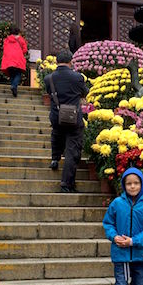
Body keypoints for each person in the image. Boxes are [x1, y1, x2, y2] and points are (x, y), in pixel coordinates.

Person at [44, 49, 88, 193]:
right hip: (73, 117)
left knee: (56, 134)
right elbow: (84, 92)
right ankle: (66, 183)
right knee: (72, 150)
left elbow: (49, 93)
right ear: (71, 61)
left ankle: (55, 159)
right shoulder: (77, 77)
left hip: (57, 116)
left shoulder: (49, 78)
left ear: (57, 62)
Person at [0, 25, 28, 97]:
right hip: (18, 58)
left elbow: (4, 49)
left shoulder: (7, 39)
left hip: (9, 59)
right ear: (18, 32)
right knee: (18, 73)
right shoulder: (21, 39)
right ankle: (14, 86)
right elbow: (25, 50)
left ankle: (13, 86)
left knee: (12, 73)